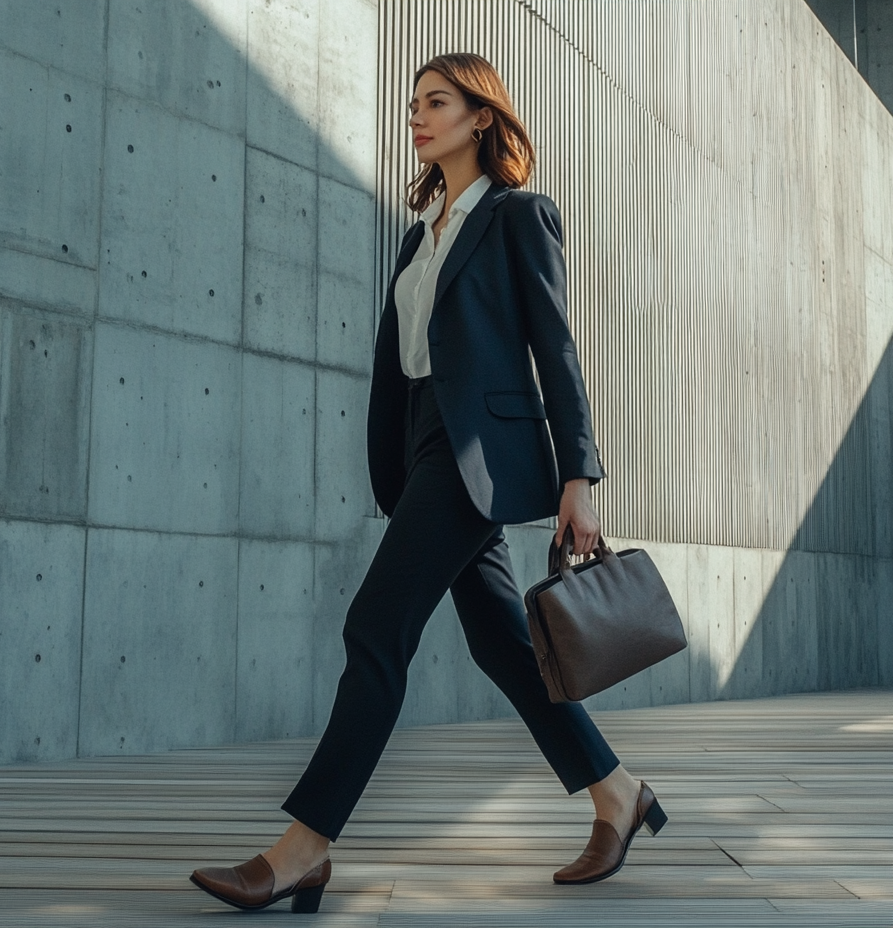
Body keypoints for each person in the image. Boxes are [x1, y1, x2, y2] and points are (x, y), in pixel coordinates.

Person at [190, 52, 666, 914]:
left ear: (482, 117)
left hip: (473, 450)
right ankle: (616, 794)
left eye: (437, 103)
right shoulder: (422, 231)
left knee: (375, 628)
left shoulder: (519, 216)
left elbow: (553, 349)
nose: (418, 117)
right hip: (422, 446)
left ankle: (304, 848)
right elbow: (407, 360)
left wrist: (580, 472)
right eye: (413, 104)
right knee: (501, 645)